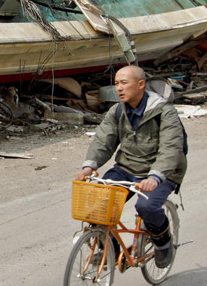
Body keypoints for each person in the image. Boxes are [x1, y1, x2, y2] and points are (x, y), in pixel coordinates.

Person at [74, 65, 186, 267]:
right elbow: (103, 141)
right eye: (116, 83)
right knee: (95, 206)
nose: (119, 88)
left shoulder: (164, 112)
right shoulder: (117, 110)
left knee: (146, 206)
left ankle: (163, 242)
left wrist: (155, 177)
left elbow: (171, 149)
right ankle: (110, 249)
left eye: (124, 83)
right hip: (126, 167)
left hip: (162, 172)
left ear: (141, 84)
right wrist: (88, 167)